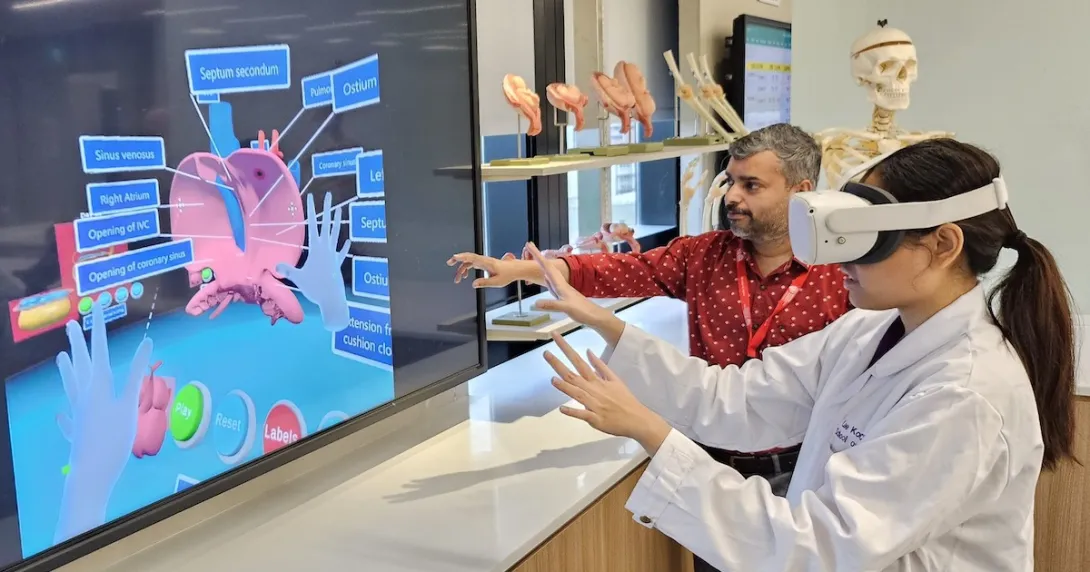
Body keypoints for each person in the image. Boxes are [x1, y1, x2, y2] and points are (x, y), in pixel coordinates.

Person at [528, 138, 1076, 571]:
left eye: (869, 236)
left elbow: (821, 549)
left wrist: (652, 431)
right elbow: (739, 399)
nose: (841, 258)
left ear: (943, 244)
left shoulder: (965, 394)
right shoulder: (869, 331)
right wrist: (606, 323)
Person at [449, 124, 849, 501]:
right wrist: (519, 270)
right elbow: (616, 271)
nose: (731, 197)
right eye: (730, 181)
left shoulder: (843, 276)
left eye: (751, 185)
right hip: (704, 459)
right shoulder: (705, 254)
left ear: (801, 191)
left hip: (798, 466)